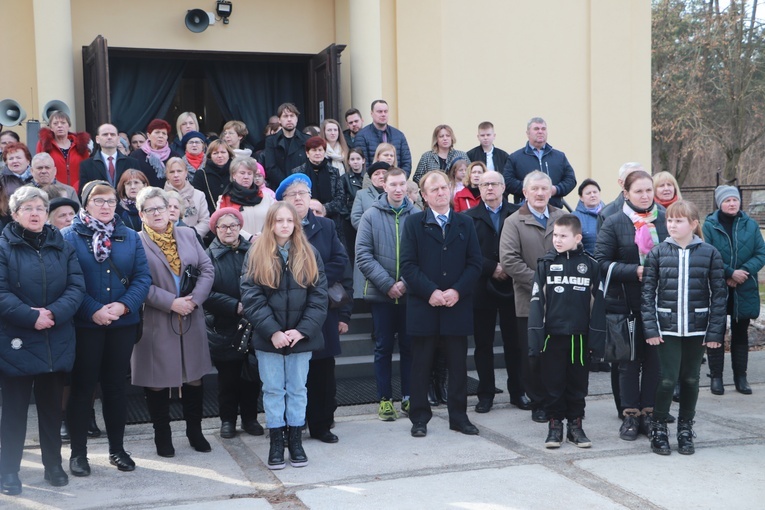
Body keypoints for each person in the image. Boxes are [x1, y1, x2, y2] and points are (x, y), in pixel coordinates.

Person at [61, 180, 151, 475]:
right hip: (85, 325)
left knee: (115, 388)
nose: (105, 206)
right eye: (98, 201)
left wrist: (124, 306)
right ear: (86, 204)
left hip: (122, 323)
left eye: (110, 201)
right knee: (83, 388)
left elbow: (142, 278)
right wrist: (93, 310)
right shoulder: (68, 236)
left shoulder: (129, 236)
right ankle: (78, 454)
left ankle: (117, 449)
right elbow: (68, 282)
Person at [0, 187, 85, 495]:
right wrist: (29, 316)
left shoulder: (61, 244)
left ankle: (53, 465)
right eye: (27, 208)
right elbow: (1, 291)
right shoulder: (3, 246)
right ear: (15, 214)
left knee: (51, 408)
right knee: (14, 411)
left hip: (55, 335)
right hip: (16, 340)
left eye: (39, 207)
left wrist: (52, 313)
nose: (35, 212)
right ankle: (8, 470)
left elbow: (76, 285)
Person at [240, 202, 328, 470]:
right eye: (279, 220)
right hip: (270, 337)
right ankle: (276, 441)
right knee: (274, 389)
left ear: (296, 223)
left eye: (289, 220)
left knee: (298, 389)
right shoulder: (257, 253)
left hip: (301, 337)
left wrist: (301, 331)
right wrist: (273, 332)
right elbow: (251, 297)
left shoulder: (309, 253)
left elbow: (319, 297)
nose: (285, 225)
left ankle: (295, 440)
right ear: (271, 223)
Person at [132, 187, 215, 458]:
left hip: (191, 315)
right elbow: (137, 282)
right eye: (150, 209)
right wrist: (171, 302)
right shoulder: (135, 242)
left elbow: (207, 269)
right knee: (157, 380)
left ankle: (195, 432)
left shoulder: (188, 234)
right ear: (141, 214)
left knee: (193, 377)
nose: (157, 213)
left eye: (161, 207)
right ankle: (162, 437)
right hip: (156, 319)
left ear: (170, 209)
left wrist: (194, 299)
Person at [401, 170, 482, 437]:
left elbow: (474, 263)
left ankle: (458, 416)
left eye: (443, 188)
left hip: (456, 306)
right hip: (424, 306)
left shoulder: (465, 223)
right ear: (424, 196)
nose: (440, 192)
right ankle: (419, 418)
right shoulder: (413, 224)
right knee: (421, 364)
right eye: (433, 189)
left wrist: (457, 291)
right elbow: (408, 266)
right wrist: (431, 292)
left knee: (458, 365)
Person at [641, 200, 726, 455]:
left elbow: (719, 296)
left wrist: (714, 332)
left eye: (678, 220)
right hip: (666, 327)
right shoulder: (657, 252)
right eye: (669, 220)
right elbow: (647, 295)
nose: (672, 225)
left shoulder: (710, 253)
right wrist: (651, 329)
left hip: (697, 328)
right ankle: (658, 429)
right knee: (667, 380)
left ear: (693, 224)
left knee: (690, 379)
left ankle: (685, 429)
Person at [595, 169, 668, 441]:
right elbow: (600, 262)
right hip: (624, 302)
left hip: (659, 303)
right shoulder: (613, 222)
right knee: (628, 361)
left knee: (654, 361)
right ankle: (630, 416)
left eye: (649, 190)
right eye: (638, 191)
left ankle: (649, 412)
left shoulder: (664, 220)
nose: (645, 195)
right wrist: (634, 271)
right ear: (626, 194)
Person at [277, 174, 351, 444]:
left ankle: (321, 425)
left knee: (322, 373)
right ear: (283, 201)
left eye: (303, 193)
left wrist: (309, 281)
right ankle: (290, 425)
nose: (298, 198)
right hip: (287, 312)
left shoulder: (326, 226)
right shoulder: (277, 228)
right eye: (292, 194)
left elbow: (339, 261)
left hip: (321, 309)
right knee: (291, 373)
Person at [528, 214, 603, 449]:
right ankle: (555, 426)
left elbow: (598, 304)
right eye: (555, 235)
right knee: (553, 383)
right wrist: (535, 338)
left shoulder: (591, 265)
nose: (557, 240)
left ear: (577, 237)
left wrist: (596, 338)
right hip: (553, 336)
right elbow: (536, 303)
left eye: (563, 236)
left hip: (580, 337)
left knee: (578, 384)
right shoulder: (546, 265)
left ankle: (575, 426)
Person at [500, 170, 567, 423]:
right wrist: (540, 283)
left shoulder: (564, 217)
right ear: (525, 192)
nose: (540, 193)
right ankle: (539, 401)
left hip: (563, 301)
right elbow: (509, 260)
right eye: (534, 189)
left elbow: (575, 250)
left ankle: (558, 399)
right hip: (529, 302)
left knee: (559, 352)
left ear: (551, 191)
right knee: (534, 355)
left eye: (544, 189)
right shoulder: (513, 221)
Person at [463, 171, 527, 413]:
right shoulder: (469, 217)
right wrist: (492, 268)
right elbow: (468, 252)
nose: (489, 188)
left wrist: (509, 268)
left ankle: (518, 392)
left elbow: (524, 246)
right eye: (484, 184)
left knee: (515, 343)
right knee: (483, 344)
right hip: (482, 287)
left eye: (494, 184)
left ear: (503, 187)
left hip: (514, 286)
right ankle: (486, 393)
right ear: (478, 189)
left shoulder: (518, 213)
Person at [356, 168, 416, 420]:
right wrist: (388, 284)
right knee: (382, 347)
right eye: (393, 184)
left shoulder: (417, 214)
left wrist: (405, 283)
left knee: (410, 347)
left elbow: (424, 254)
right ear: (384, 186)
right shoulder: (370, 215)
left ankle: (409, 396)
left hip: (410, 294)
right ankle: (384, 399)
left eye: (402, 184)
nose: (398, 188)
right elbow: (363, 254)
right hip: (382, 295)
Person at [204, 207, 263, 439]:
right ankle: (227, 420)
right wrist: (234, 305)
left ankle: (251, 418)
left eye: (233, 225)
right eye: (223, 226)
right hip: (223, 324)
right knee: (227, 379)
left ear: (240, 228)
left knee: (251, 377)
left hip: (253, 323)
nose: (229, 230)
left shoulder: (254, 251)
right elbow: (204, 292)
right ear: (215, 229)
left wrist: (251, 305)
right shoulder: (207, 256)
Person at [703, 185, 765, 395]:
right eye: (727, 200)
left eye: (735, 200)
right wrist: (729, 273)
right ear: (720, 203)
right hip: (717, 287)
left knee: (740, 334)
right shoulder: (710, 225)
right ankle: (716, 378)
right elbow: (708, 254)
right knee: (716, 333)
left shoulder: (751, 225)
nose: (731, 203)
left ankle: (741, 377)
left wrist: (742, 273)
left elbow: (760, 254)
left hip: (744, 287)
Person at [503, 117, 576, 209]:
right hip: (525, 211)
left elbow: (571, 179)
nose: (540, 131)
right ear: (528, 133)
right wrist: (531, 189)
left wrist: (556, 189)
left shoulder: (560, 157)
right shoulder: (515, 158)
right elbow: (507, 181)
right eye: (536, 129)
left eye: (543, 129)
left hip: (554, 210)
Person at [296, 136, 346, 242]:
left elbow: (340, 197)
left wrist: (323, 209)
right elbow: (296, 197)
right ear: (307, 153)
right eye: (314, 150)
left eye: (320, 150)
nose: (317, 153)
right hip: (305, 221)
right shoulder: (298, 173)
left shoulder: (334, 172)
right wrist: (312, 211)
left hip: (331, 220)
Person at [218, 157, 276, 239]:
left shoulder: (267, 197)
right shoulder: (224, 199)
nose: (246, 177)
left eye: (249, 173)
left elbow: (275, 220)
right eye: (242, 173)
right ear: (234, 175)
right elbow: (223, 225)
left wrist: (262, 235)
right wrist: (249, 238)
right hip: (237, 246)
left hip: (265, 243)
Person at [353, 99, 412, 176]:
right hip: (372, 183)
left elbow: (406, 162)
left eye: (385, 111)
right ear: (371, 113)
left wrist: (400, 179)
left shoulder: (399, 135)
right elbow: (363, 164)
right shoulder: (362, 136)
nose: (383, 114)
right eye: (379, 111)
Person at [36, 111, 91, 187]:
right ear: (51, 128)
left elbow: (87, 168)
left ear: (69, 126)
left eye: (63, 123)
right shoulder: (44, 144)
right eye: (55, 123)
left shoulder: (80, 145)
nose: (59, 126)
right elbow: (39, 167)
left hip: (78, 189)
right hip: (53, 189)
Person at [262, 103, 310, 190]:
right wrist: (287, 184)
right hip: (279, 187)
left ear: (297, 119)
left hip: (302, 187)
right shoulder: (271, 141)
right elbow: (270, 167)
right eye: (285, 116)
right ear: (279, 120)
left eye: (292, 116)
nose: (289, 119)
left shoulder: (307, 140)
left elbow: (309, 166)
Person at [79, 123, 141, 191]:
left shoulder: (132, 163)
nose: (109, 137)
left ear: (118, 139)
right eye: (105, 134)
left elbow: (139, 189)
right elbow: (84, 192)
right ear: (97, 139)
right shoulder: (86, 165)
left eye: (112, 134)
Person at [164, 157, 210, 239]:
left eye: (179, 171)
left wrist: (190, 234)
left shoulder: (199, 195)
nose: (176, 175)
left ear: (186, 173)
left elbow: (205, 221)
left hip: (193, 239)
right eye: (172, 172)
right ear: (167, 175)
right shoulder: (161, 196)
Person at [128, 118, 181, 188]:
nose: (161, 136)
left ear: (167, 137)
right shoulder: (136, 156)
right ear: (149, 136)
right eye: (157, 132)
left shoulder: (175, 156)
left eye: (164, 133)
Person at [193, 139, 235, 216]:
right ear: (210, 156)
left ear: (229, 154)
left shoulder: (236, 172)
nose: (219, 156)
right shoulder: (201, 174)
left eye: (223, 152)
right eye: (215, 153)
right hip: (210, 217)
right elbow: (197, 199)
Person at [340, 147, 366, 260]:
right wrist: (349, 217)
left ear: (363, 160)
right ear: (349, 162)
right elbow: (341, 200)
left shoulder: (368, 178)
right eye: (352, 159)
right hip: (349, 222)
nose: (355, 162)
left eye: (358, 158)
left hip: (366, 219)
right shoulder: (344, 179)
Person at [350, 161, 389, 230]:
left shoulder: (395, 193)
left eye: (384, 173)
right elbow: (356, 218)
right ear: (371, 179)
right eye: (376, 174)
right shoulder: (361, 194)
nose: (381, 176)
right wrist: (369, 231)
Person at [572, 178, 604, 255]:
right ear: (581, 197)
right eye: (588, 193)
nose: (592, 195)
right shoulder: (574, 217)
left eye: (595, 192)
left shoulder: (609, 213)